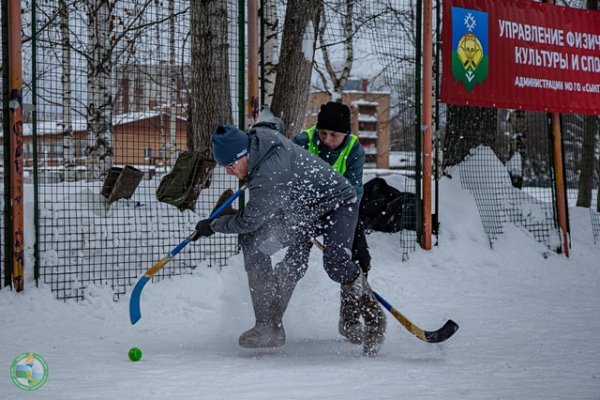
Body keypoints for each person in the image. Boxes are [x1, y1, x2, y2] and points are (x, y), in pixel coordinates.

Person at [193, 109, 385, 356]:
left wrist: (214, 225)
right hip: (304, 210)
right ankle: (268, 327)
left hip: (338, 203)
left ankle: (374, 320)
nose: (228, 172)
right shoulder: (257, 138)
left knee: (336, 263)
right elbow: (273, 122)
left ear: (243, 155)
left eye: (230, 166)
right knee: (256, 246)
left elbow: (249, 221)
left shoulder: (269, 175)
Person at [290, 101, 385, 345]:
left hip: (342, 207)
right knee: (293, 260)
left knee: (358, 258)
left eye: (334, 134)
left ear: (346, 133)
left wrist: (330, 202)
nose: (328, 139)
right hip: (306, 209)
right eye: (323, 133)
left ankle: (352, 318)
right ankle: (269, 322)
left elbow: (354, 188)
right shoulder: (303, 142)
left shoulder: (355, 149)